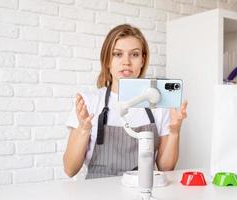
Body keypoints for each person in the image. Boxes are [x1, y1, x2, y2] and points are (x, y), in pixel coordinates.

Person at [63, 24, 188, 179]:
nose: (126, 62)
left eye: (134, 55)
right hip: (97, 192)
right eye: (117, 54)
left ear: (142, 60)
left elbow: (165, 167)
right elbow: (70, 169)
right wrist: (83, 129)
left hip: (142, 189)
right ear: (107, 61)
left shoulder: (158, 104)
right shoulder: (89, 102)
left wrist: (175, 132)